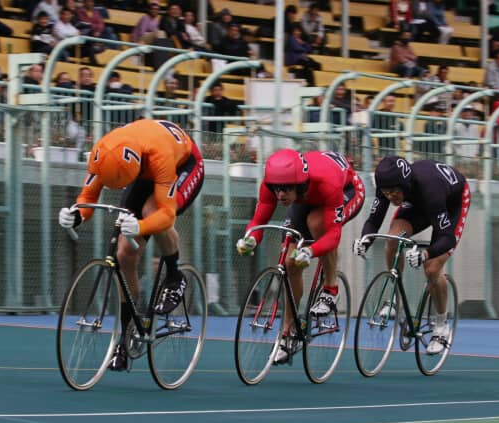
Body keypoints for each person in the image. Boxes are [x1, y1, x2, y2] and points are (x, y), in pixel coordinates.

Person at [57, 119, 205, 371]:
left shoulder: (159, 154)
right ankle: (126, 337)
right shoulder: (103, 154)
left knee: (151, 211)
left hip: (183, 164)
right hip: (143, 170)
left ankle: (174, 276)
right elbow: (88, 197)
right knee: (124, 254)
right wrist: (77, 215)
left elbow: (167, 214)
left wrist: (142, 227)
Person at [236, 149, 366, 364]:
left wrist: (310, 251)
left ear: (299, 184)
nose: (280, 195)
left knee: (317, 223)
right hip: (305, 197)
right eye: (277, 189)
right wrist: (250, 239)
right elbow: (259, 219)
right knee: (290, 263)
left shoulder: (327, 182)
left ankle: (331, 288)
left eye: (286, 189)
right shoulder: (274, 183)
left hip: (346, 190)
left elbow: (333, 236)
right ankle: (289, 333)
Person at [354, 156, 471, 354]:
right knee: (392, 239)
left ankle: (441, 326)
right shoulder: (389, 185)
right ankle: (394, 298)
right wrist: (365, 240)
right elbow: (374, 221)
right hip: (417, 203)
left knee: (432, 268)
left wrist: (426, 254)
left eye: (394, 192)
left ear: (405, 184)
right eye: (386, 193)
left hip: (451, 203)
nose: (390, 197)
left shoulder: (430, 189)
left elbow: (447, 238)